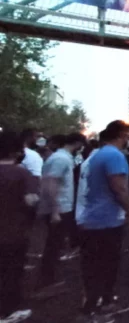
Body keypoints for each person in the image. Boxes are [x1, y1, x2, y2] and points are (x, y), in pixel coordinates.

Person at [77, 120, 129, 322]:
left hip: (92, 218)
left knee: (93, 265)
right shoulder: (114, 156)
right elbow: (119, 187)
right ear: (121, 134)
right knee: (106, 264)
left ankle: (93, 305)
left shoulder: (98, 155)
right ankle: (101, 307)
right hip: (106, 220)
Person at [35, 132, 86, 297]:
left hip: (60, 207)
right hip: (59, 208)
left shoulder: (60, 158)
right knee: (53, 246)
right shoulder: (61, 159)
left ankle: (48, 281)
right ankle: (45, 283)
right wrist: (56, 210)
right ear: (77, 143)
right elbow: (51, 183)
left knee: (54, 245)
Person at [0, 131, 39, 323]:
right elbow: (31, 201)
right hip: (14, 232)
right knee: (12, 272)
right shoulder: (21, 173)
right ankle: (8, 311)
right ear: (15, 151)